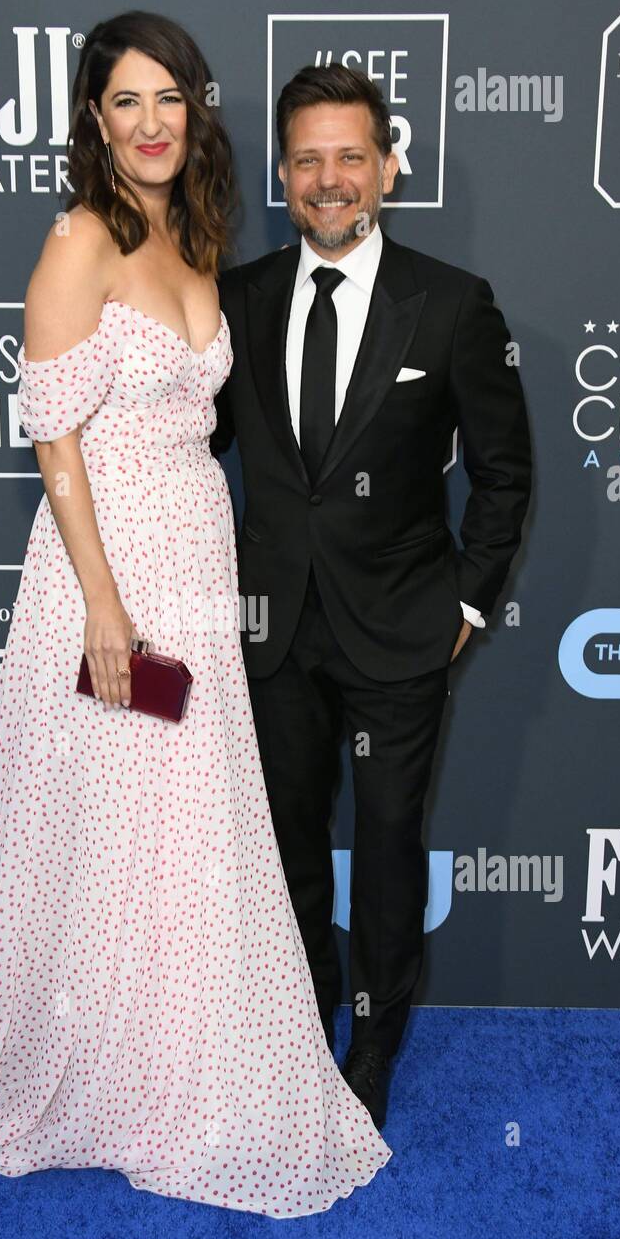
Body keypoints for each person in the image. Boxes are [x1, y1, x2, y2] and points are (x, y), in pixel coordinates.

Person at [0, 15, 392, 1218]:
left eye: (169, 99)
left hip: (195, 557)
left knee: (184, 824)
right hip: (110, 573)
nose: (150, 122)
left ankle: (178, 1050)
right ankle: (91, 1063)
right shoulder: (81, 240)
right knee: (103, 819)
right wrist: (101, 603)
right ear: (93, 119)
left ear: (193, 112)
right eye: (125, 101)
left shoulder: (192, 236)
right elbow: (55, 438)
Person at [211, 64, 532, 1128]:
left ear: (389, 167)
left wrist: (467, 608)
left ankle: (375, 1042)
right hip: (271, 635)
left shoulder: (450, 304)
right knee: (291, 847)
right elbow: (187, 447)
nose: (329, 179)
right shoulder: (239, 301)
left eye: (351, 156)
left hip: (401, 634)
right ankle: (297, 1030)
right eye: (307, 159)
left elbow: (505, 472)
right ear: (283, 174)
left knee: (387, 849)